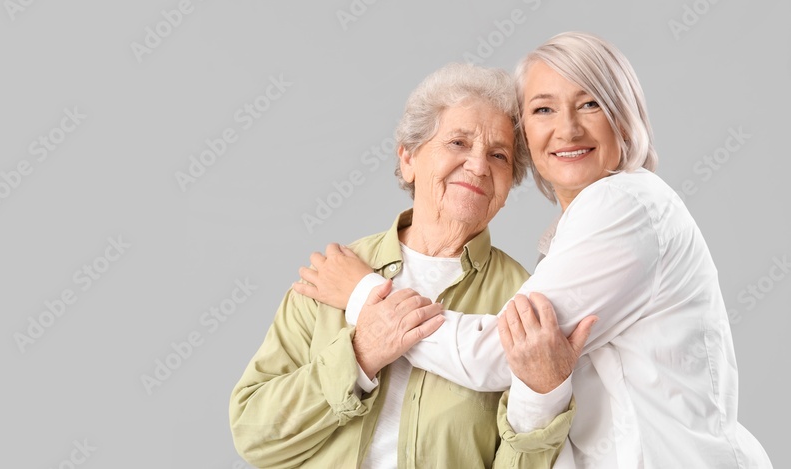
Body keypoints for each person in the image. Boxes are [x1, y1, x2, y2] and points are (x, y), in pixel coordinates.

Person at [297, 32, 773, 468]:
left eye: (589, 104)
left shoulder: (624, 204)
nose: (566, 130)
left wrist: (362, 295)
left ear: (623, 121)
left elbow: (496, 356)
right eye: (543, 109)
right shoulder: (575, 231)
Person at [229, 63, 594, 468]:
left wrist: (544, 397)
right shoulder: (335, 273)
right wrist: (360, 356)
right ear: (408, 158)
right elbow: (254, 433)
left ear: (509, 185)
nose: (478, 165)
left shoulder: (525, 300)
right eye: (458, 142)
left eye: (498, 155)